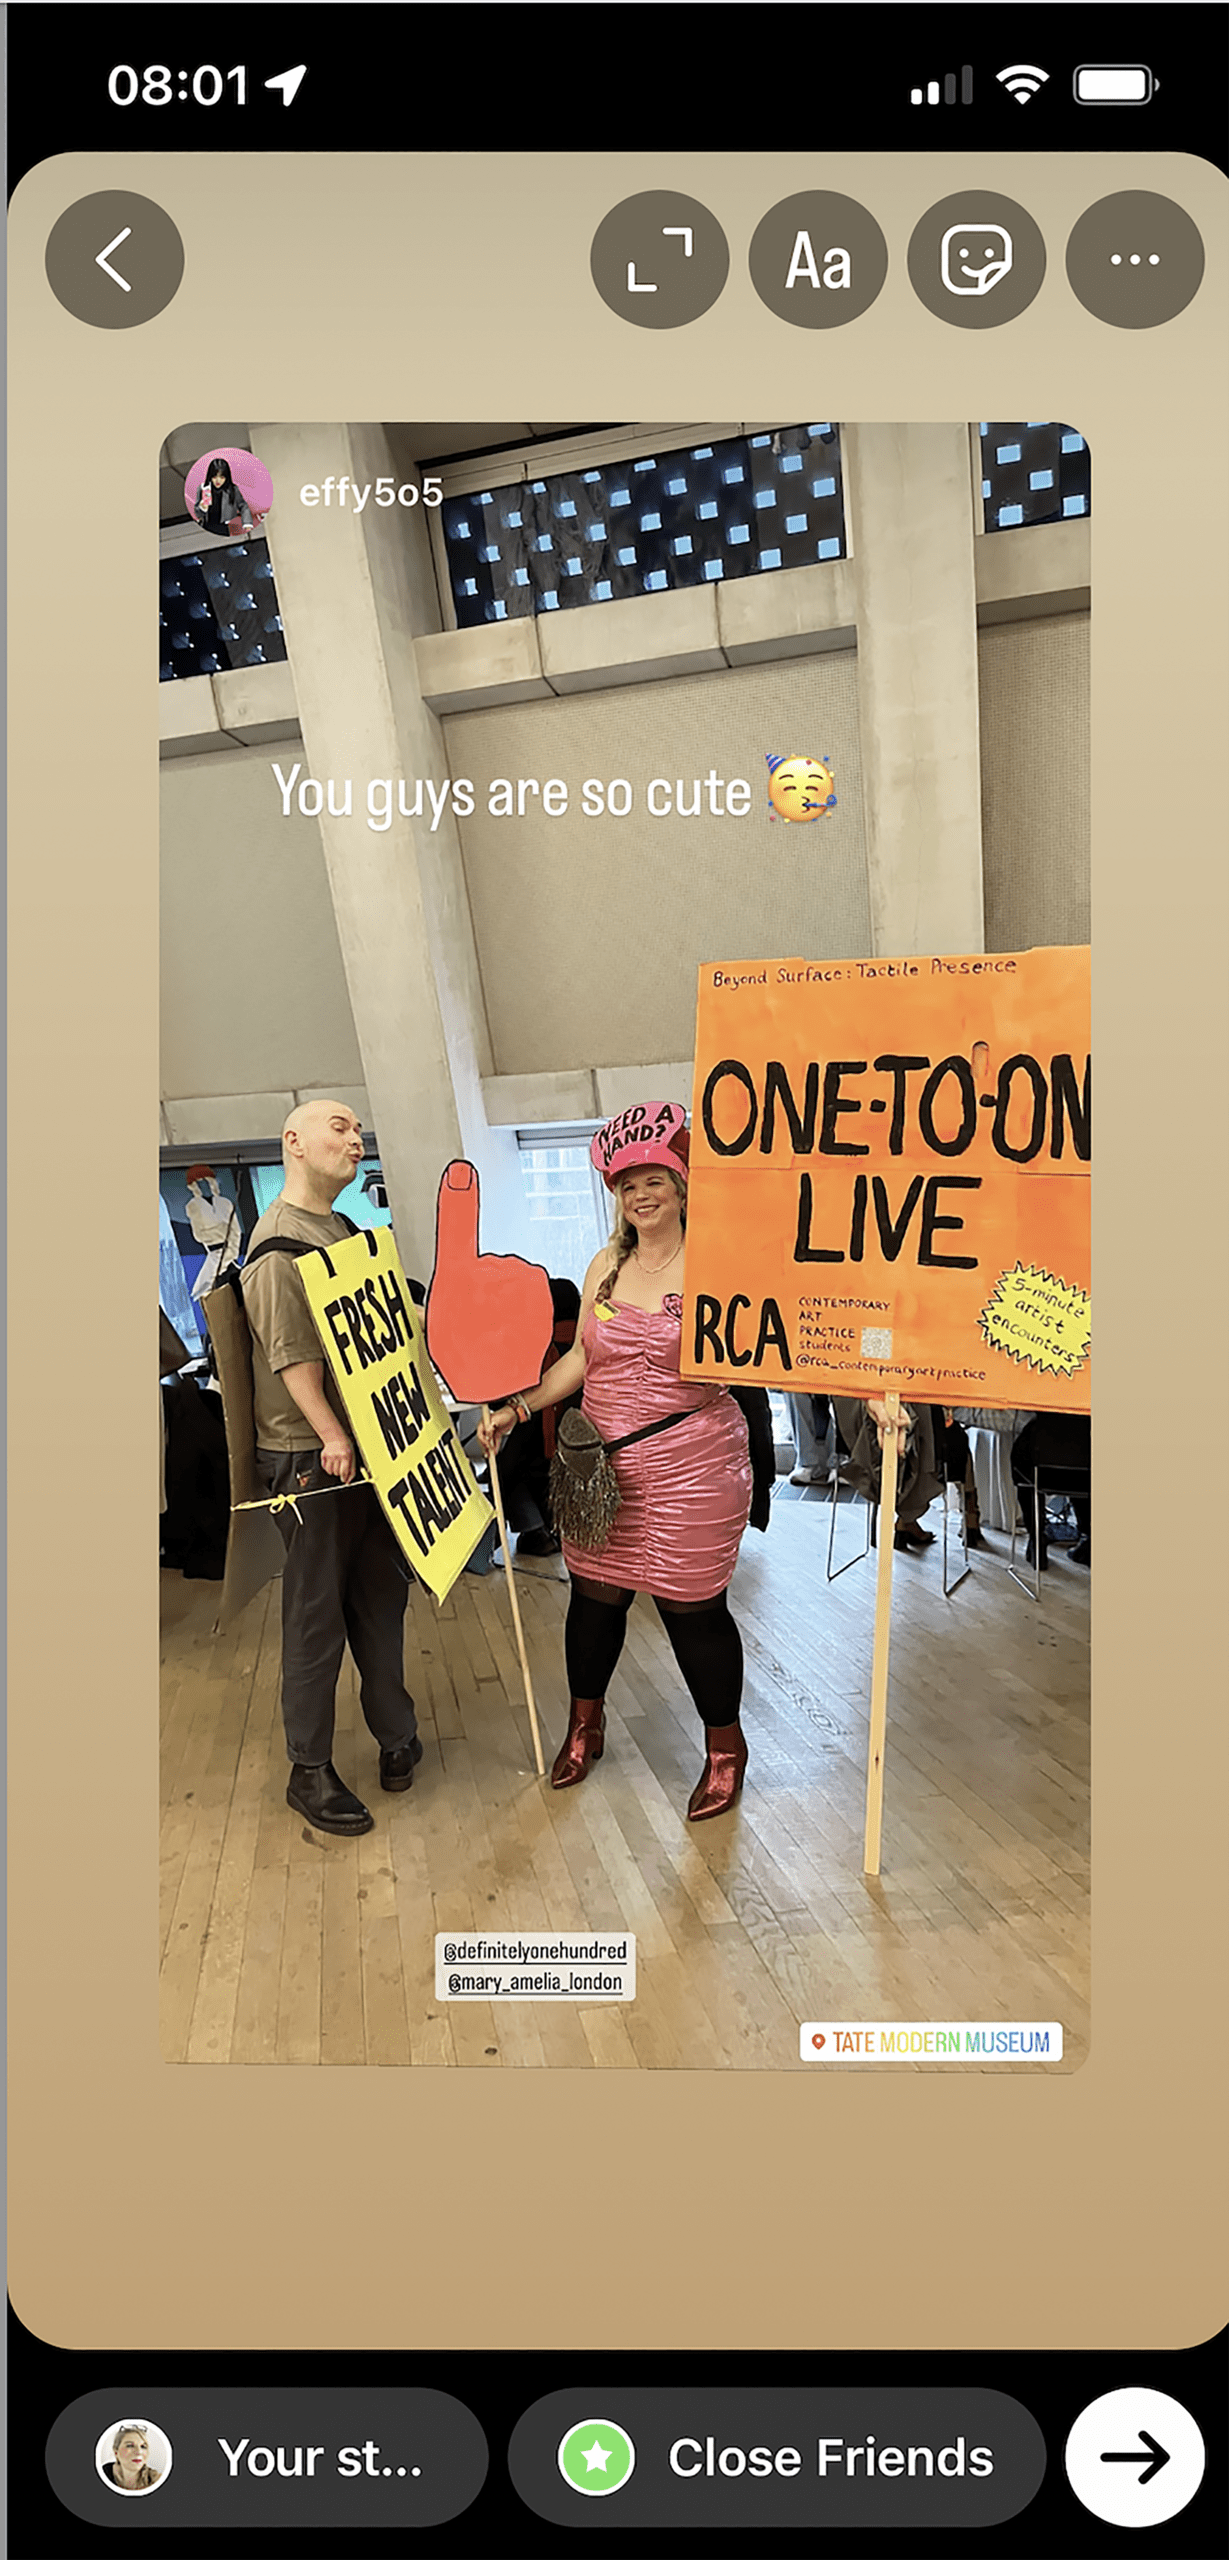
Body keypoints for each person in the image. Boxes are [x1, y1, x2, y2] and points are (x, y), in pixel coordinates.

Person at [480, 1106, 755, 1822]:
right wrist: (516, 1407)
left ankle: (725, 1750)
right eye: (628, 1182)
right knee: (594, 1595)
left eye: (655, 1178)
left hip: (693, 1463)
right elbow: (579, 1358)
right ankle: (584, 1725)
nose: (641, 1192)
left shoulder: (721, 1259)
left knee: (691, 1608)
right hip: (601, 1469)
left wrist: (875, 1391)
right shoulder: (606, 1265)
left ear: (683, 1183)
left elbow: (775, 1349)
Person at [240, 1099, 421, 1836]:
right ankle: (306, 1769)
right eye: (337, 1128)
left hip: (361, 1448)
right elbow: (293, 1357)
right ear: (294, 1143)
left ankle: (395, 1731)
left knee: (380, 1596)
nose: (355, 1139)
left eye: (357, 1129)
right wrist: (330, 1435)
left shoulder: (342, 1230)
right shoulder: (278, 1245)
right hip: (309, 1459)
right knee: (317, 1616)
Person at [193, 456, 258, 538]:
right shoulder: (203, 488)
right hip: (206, 526)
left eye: (222, 477)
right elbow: (198, 514)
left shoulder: (233, 489)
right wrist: (202, 507)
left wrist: (247, 523)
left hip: (225, 528)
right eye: (214, 477)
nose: (218, 481)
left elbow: (243, 506)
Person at [103, 2425, 161, 2492]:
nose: (139, 2452)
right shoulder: (103, 2474)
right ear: (116, 2452)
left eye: (143, 2446)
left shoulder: (156, 2480)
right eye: (130, 2445)